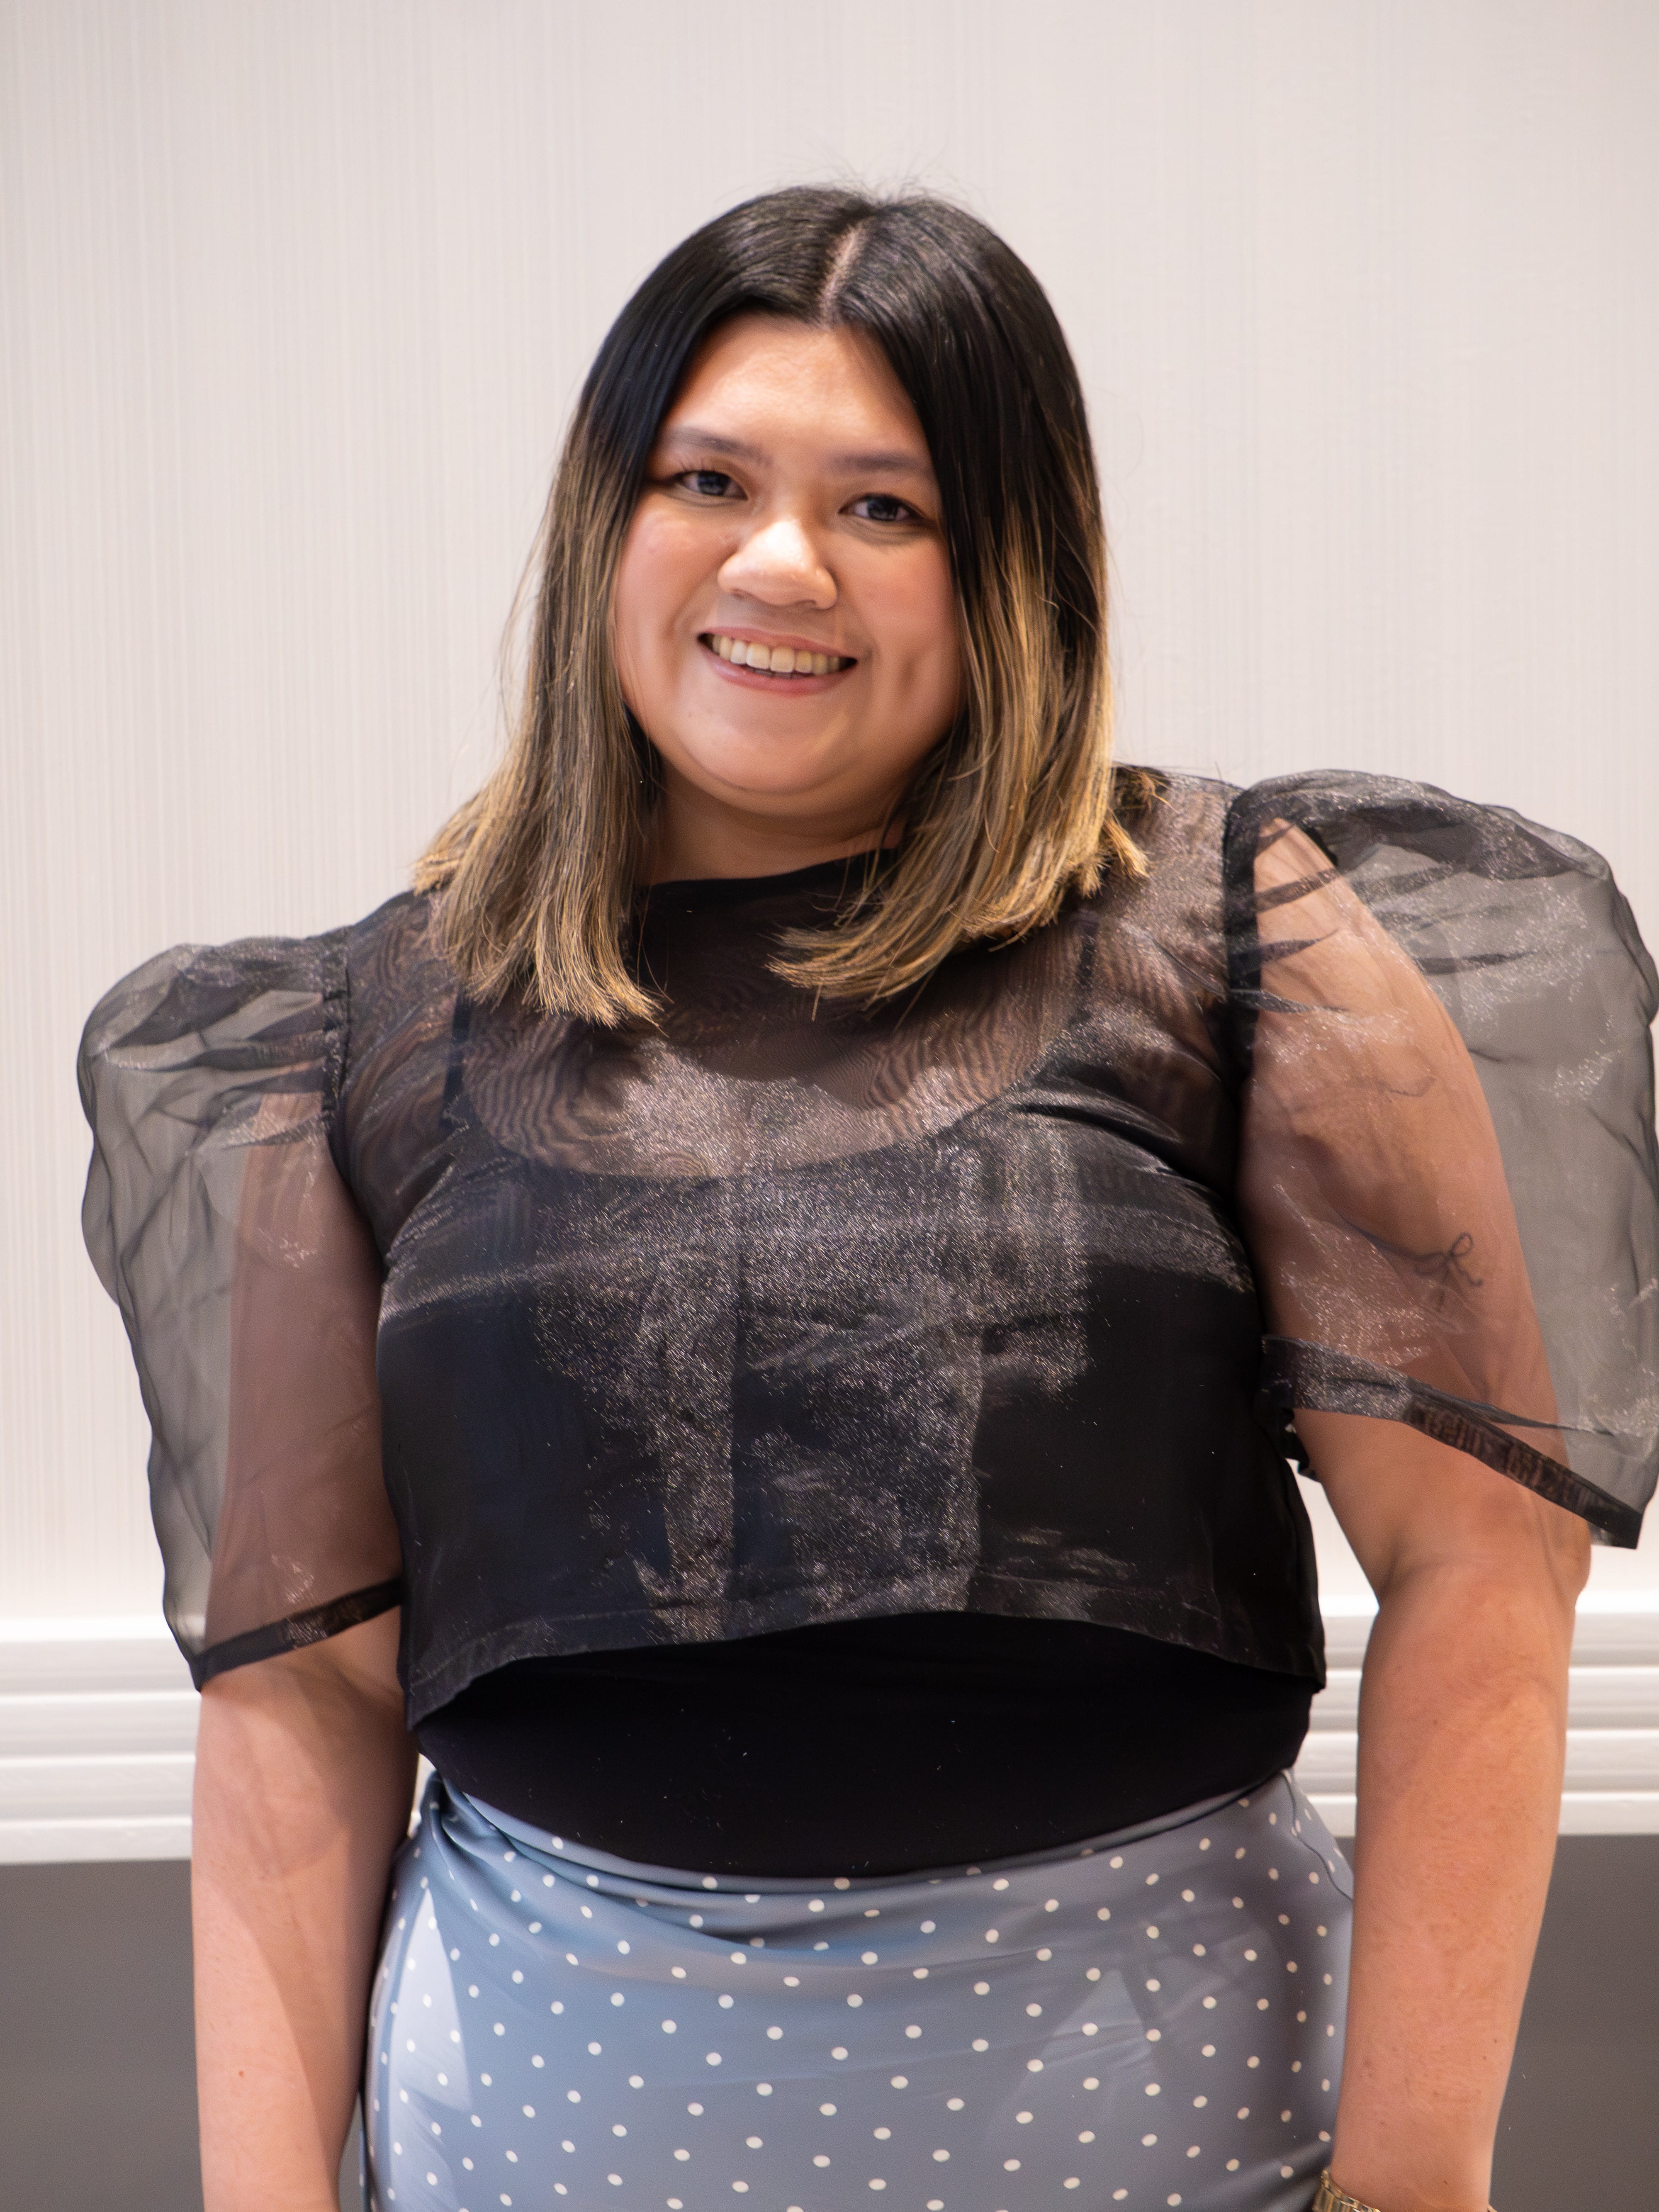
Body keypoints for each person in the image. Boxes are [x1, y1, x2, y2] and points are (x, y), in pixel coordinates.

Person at [79, 187, 1658, 2212]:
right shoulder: (361, 1034)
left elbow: (1478, 1578)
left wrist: (1417, 2175)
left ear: (1015, 561)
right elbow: (301, 1689)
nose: (776, 561)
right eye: (707, 476)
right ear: (603, 524)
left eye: (884, 506)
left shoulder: (1242, 941)